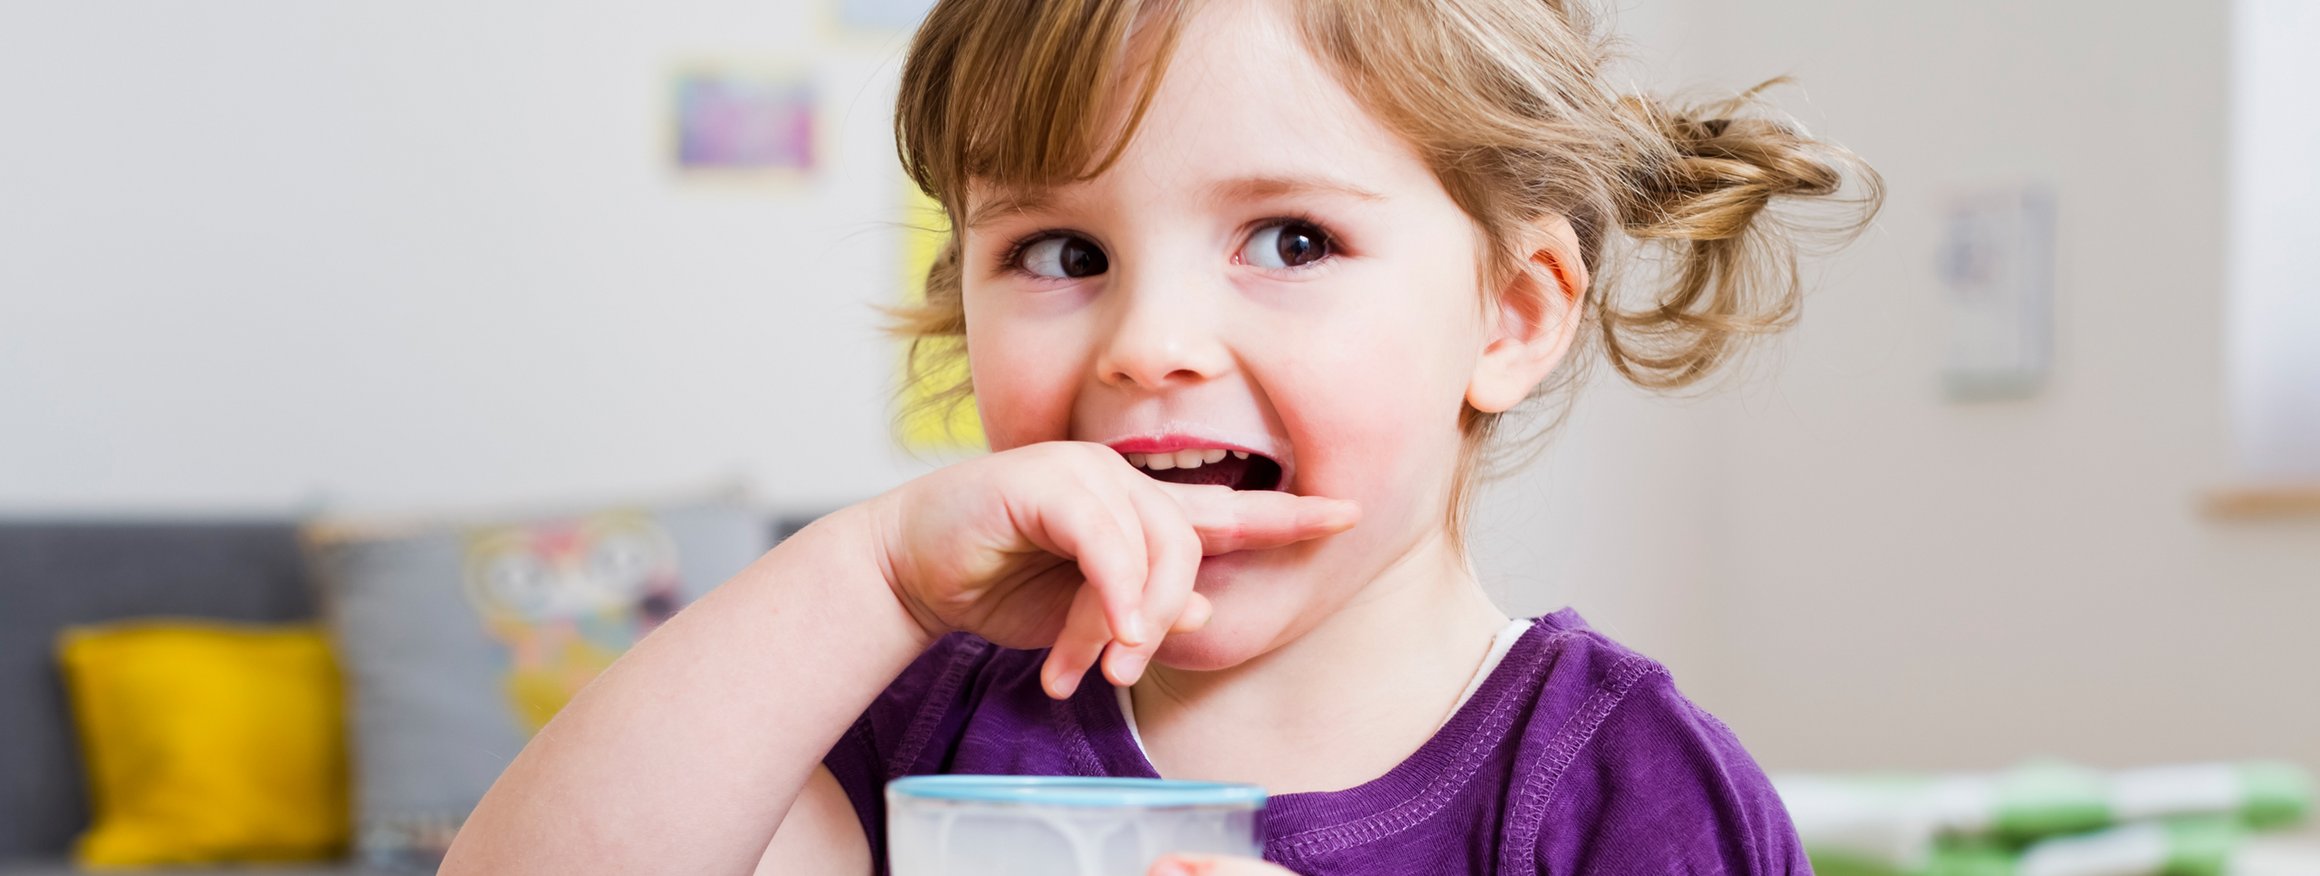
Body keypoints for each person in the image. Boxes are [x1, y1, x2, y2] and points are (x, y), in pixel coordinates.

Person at [444, 0, 1880, 872]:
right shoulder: (912, 726)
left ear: (1509, 314)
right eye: (1062, 254)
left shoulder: (1627, 798)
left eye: (1292, 237)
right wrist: (869, 581)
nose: (1146, 342)